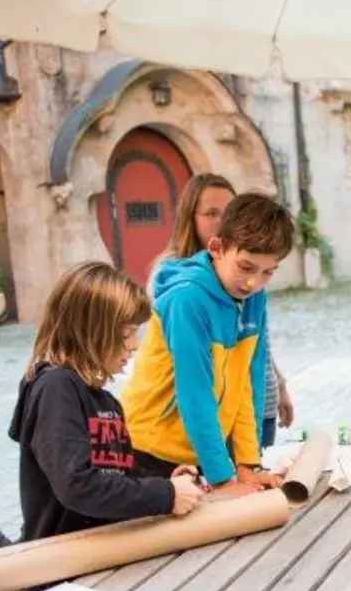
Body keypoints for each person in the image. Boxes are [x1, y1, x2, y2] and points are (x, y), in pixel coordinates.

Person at [5, 262, 204, 544]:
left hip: (107, 546)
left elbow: (114, 469)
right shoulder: (56, 388)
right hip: (61, 558)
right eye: (125, 334)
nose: (134, 345)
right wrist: (166, 495)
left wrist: (164, 477)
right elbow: (77, 485)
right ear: (91, 331)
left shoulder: (105, 400)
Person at [121, 193, 292, 491]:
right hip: (147, 452)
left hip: (194, 454)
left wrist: (247, 464)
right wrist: (222, 479)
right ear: (216, 248)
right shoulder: (187, 299)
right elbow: (194, 393)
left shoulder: (253, 298)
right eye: (246, 267)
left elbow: (247, 385)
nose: (254, 283)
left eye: (268, 272)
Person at [158, 173, 295, 448]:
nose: (221, 221)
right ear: (190, 217)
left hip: (256, 406)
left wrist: (279, 384)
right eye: (211, 213)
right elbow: (184, 369)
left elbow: (257, 343)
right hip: (203, 422)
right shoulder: (179, 285)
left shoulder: (250, 279)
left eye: (228, 211)